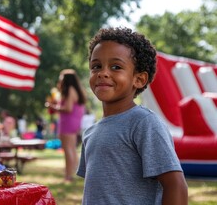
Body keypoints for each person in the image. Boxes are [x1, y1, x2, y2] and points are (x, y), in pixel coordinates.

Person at [77, 27, 188, 204]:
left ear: (139, 79)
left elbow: (175, 185)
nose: (103, 73)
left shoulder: (144, 123)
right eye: (96, 66)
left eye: (116, 67)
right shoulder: (90, 132)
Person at [45, 69, 86, 182]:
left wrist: (52, 107)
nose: (60, 80)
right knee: (71, 149)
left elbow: (68, 108)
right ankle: (76, 173)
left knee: (67, 149)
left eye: (61, 78)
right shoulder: (75, 90)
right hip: (73, 123)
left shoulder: (70, 90)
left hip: (67, 123)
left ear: (67, 80)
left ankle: (68, 176)